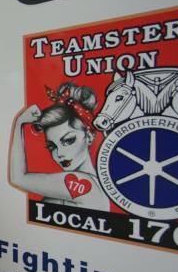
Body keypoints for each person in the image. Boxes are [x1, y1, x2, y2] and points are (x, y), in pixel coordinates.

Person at [9, 82, 109, 210]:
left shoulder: (84, 184)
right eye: (52, 146)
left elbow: (18, 179)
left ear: (89, 136)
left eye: (68, 140)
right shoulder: (95, 185)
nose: (59, 153)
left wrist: (19, 123)